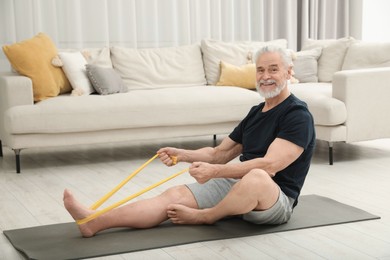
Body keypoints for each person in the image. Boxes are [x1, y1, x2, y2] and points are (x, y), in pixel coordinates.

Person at [63, 45, 315, 238]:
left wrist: (216, 172)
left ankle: (206, 217)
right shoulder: (256, 112)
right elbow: (219, 154)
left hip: (275, 199)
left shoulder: (297, 115)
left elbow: (270, 166)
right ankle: (94, 222)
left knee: (257, 177)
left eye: (273, 69)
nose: (265, 76)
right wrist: (182, 154)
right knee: (172, 197)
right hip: (238, 185)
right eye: (260, 69)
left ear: (288, 72)